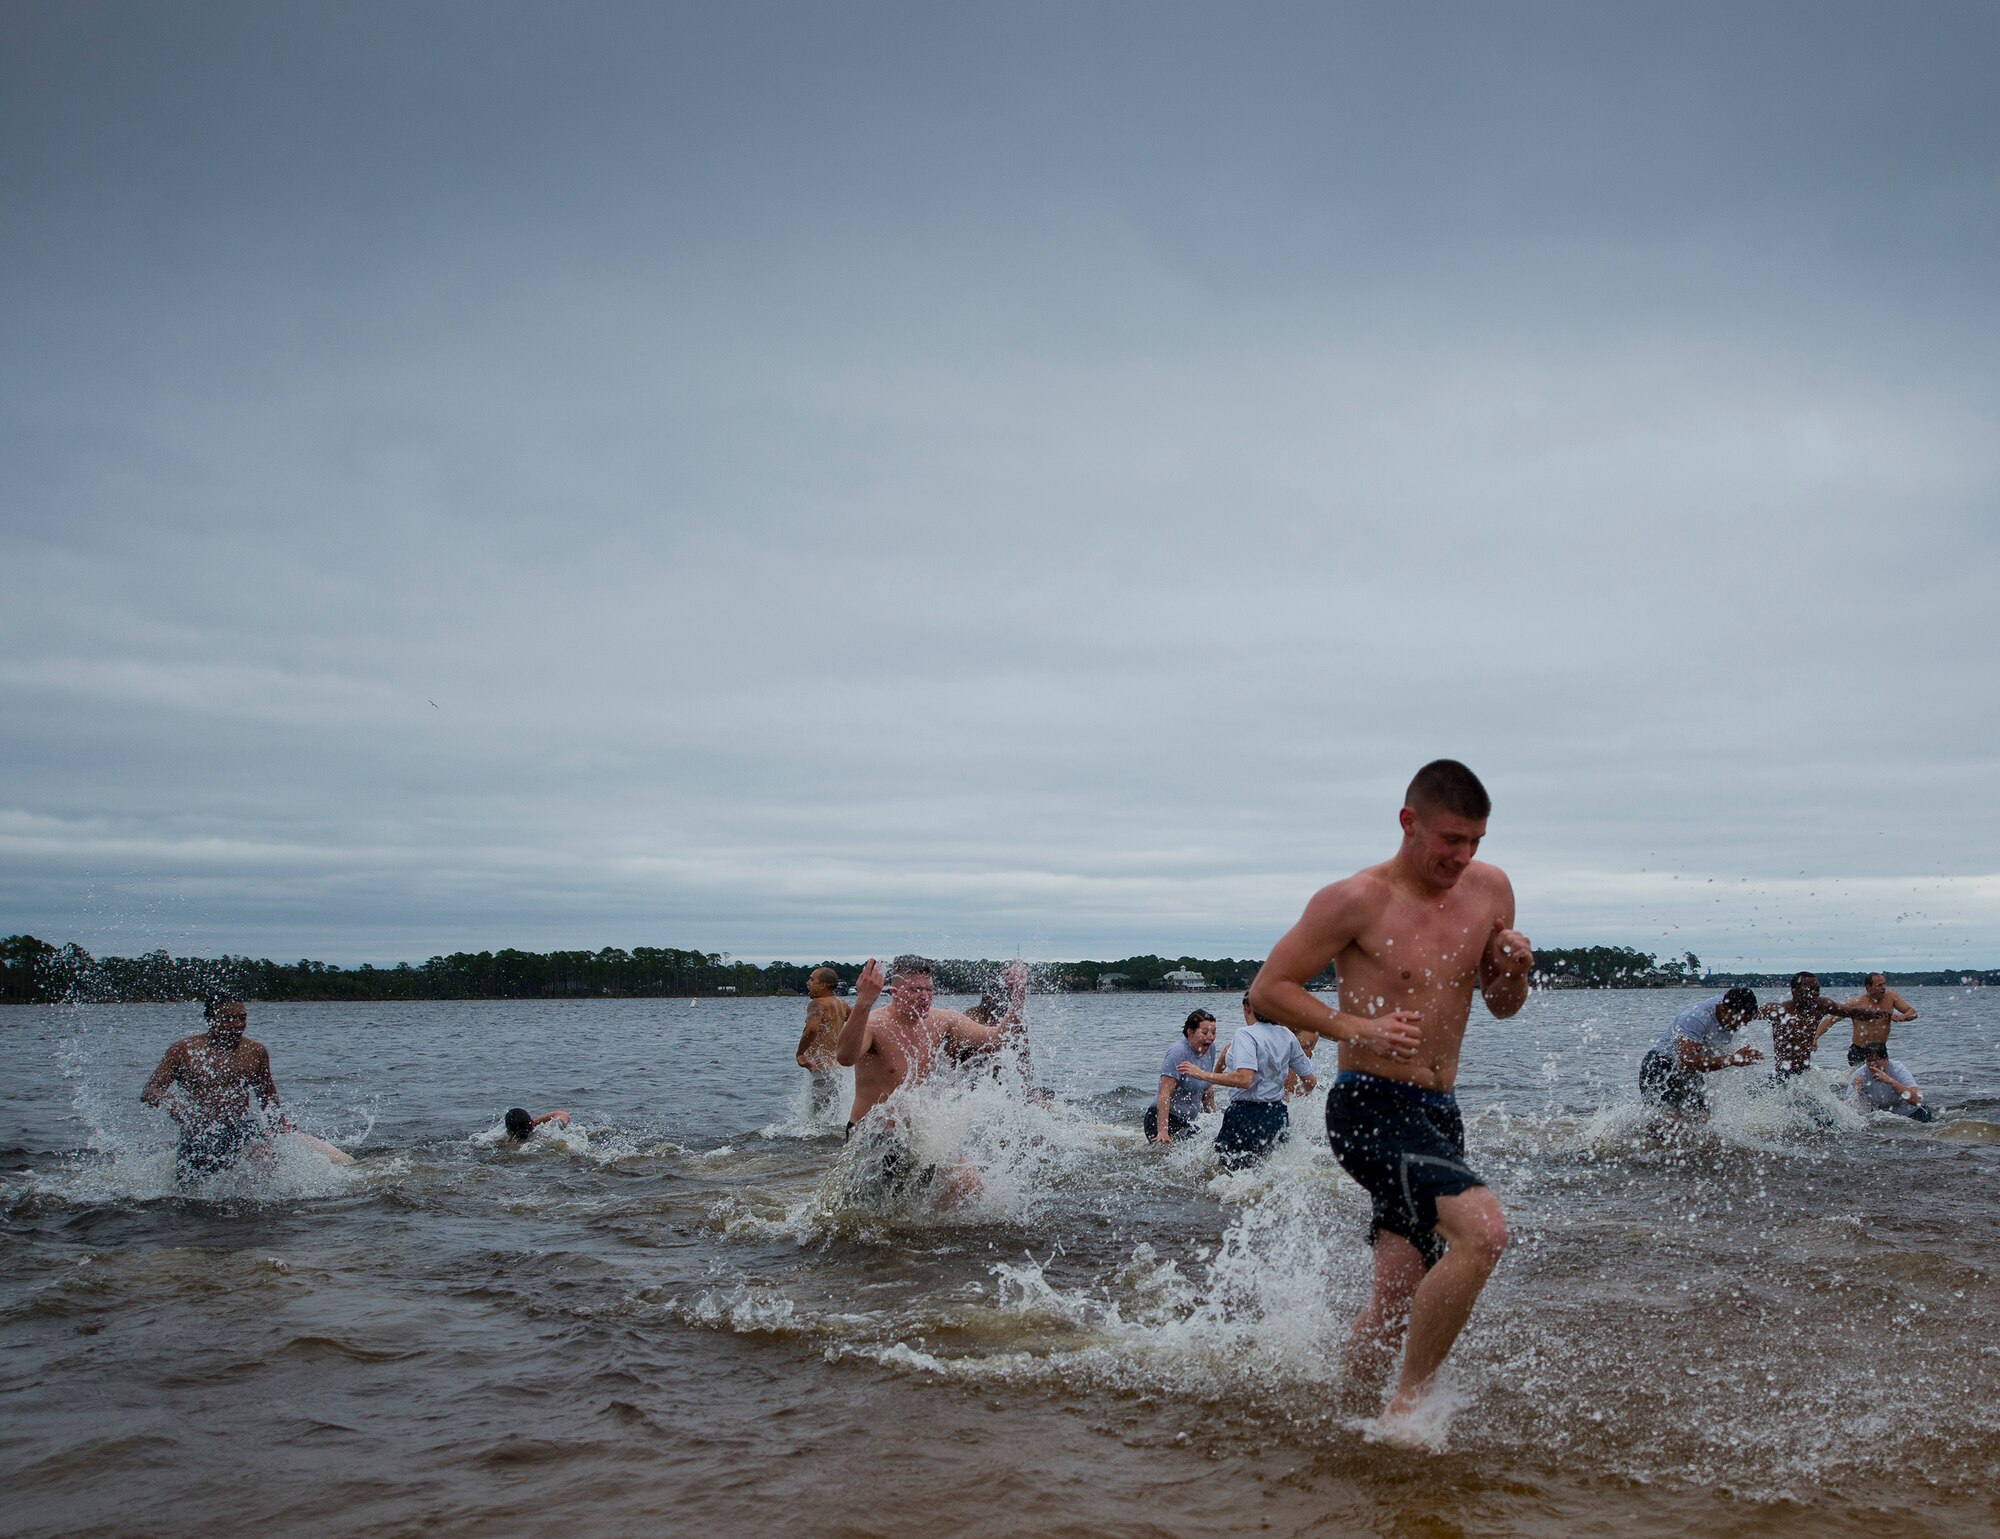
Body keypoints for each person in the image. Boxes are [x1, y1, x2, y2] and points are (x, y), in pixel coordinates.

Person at [1246, 759, 1530, 1425]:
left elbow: (1501, 1005)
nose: (1463, 857)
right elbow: (1268, 989)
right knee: (1484, 1232)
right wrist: (1355, 1025)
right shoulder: (1356, 899)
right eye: (1450, 841)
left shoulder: (1491, 891)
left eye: (1475, 843)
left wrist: (1513, 969)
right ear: (1410, 823)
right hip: (1367, 1102)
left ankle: (1344, 1406)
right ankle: (1407, 1410)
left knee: (1398, 1293)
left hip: (1438, 1110)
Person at [834, 954, 1008, 1197]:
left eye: (929, 989)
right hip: (874, 1139)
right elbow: (844, 1057)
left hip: (918, 1138)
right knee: (870, 1215)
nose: (924, 997)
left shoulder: (942, 1020)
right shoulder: (875, 1024)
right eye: (915, 990)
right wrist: (863, 1002)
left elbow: (998, 1038)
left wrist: (1018, 998)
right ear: (894, 991)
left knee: (970, 1184)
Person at [141, 993, 284, 1181]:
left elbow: (267, 1098)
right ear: (210, 1020)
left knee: (266, 1167)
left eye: (242, 1018)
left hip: (240, 1128)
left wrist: (282, 1128)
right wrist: (172, 1103)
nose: (237, 1024)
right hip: (199, 1132)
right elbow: (150, 1091)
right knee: (190, 1195)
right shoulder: (184, 1050)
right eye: (229, 1018)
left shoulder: (255, 1052)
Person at [1639, 988, 1764, 1118]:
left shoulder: (1731, 1006)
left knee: (1702, 1118)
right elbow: (1687, 1062)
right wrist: (1731, 1060)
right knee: (1669, 1122)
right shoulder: (1695, 1018)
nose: (1740, 1026)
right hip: (1660, 1066)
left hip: (1685, 1073)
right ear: (1723, 1009)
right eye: (1739, 1021)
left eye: (1745, 1022)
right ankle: (1631, 1132)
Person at [1761, 971, 1888, 1078]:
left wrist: (1874, 1014)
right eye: (1809, 989)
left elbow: (1850, 1011)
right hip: (1782, 1074)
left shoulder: (1820, 1005)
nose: (1815, 993)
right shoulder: (1780, 1010)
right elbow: (1748, 1015)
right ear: (1794, 991)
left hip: (1805, 1074)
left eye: (1817, 989)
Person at [1146, 1008, 1219, 1144]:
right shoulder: (1178, 1052)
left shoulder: (1210, 1049)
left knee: (1211, 1146)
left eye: (1214, 1032)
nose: (1211, 1037)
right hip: (1162, 1119)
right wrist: (1163, 1131)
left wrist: (1215, 1122)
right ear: (1190, 1032)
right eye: (1205, 1032)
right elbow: (1164, 1093)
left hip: (1185, 1122)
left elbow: (1207, 1088)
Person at [794, 967, 853, 1123]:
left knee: (818, 1122)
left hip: (822, 1070)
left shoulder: (816, 1003)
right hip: (837, 1070)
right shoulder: (841, 1003)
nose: (808, 982)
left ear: (823, 985)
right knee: (831, 1117)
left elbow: (812, 1029)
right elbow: (858, 1023)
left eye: (812, 979)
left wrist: (800, 1053)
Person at [1840, 972, 1920, 1064]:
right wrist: (1818, 1037)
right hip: (1859, 1050)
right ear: (1868, 988)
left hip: (1880, 1050)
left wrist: (1902, 1017)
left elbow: (1912, 1012)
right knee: (1858, 1077)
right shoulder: (1855, 1003)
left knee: (1881, 1076)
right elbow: (1831, 1019)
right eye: (1879, 985)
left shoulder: (1891, 998)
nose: (1884, 988)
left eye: (1884, 984)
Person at [1847, 1043, 1935, 1123]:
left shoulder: (1898, 1070)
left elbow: (1916, 1100)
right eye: (1868, 1061)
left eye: (1875, 1060)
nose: (1872, 1065)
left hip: (1913, 1113)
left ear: (1885, 1059)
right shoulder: (1859, 1074)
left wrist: (1890, 1081)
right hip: (1885, 1116)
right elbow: (1849, 1108)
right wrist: (1858, 1091)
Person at [503, 1108, 571, 1142]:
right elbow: (562, 1114)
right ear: (531, 1122)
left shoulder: (504, 1145)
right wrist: (534, 1122)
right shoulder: (545, 1135)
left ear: (508, 1131)